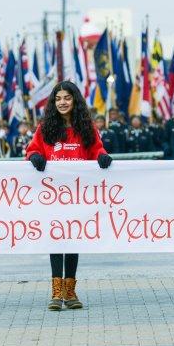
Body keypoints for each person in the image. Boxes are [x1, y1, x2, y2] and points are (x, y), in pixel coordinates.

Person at [25, 80, 111, 311]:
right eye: (58, 99)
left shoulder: (87, 128)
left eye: (67, 98)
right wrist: (34, 157)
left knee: (73, 240)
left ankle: (70, 291)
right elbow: (32, 149)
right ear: (54, 102)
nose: (62, 103)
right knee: (55, 240)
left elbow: (96, 149)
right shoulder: (45, 128)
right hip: (52, 196)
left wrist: (102, 156)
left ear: (75, 101)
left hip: (77, 196)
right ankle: (56, 292)